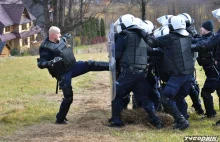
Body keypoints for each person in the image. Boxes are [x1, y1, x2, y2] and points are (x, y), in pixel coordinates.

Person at [37, 26, 109, 124]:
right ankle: (60, 119)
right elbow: (40, 64)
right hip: (63, 73)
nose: (60, 35)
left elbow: (62, 39)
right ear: (53, 35)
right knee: (68, 97)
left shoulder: (59, 39)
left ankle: (111, 66)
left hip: (72, 66)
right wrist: (51, 62)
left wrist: (66, 36)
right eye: (59, 33)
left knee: (90, 64)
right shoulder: (45, 48)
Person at [138, 16, 194, 130]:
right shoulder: (188, 36)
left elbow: (153, 43)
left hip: (178, 74)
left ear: (173, 26)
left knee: (166, 97)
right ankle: (183, 119)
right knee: (179, 97)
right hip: (187, 73)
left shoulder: (170, 38)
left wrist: (141, 32)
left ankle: (181, 121)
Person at [109, 14, 163, 129]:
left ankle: (116, 121)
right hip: (141, 73)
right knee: (143, 98)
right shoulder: (142, 36)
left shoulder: (124, 35)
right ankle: (156, 121)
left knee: (116, 94)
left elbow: (116, 55)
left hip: (128, 72)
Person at [192, 8, 220, 125]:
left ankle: (211, 113)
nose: (218, 21)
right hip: (216, 68)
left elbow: (208, 44)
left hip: (215, 70)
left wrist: (189, 47)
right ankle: (211, 113)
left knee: (206, 92)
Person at [177, 13, 204, 115]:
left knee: (190, 84)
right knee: (191, 84)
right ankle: (197, 106)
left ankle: (198, 106)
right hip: (189, 60)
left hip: (188, 60)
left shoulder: (188, 31)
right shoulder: (191, 30)